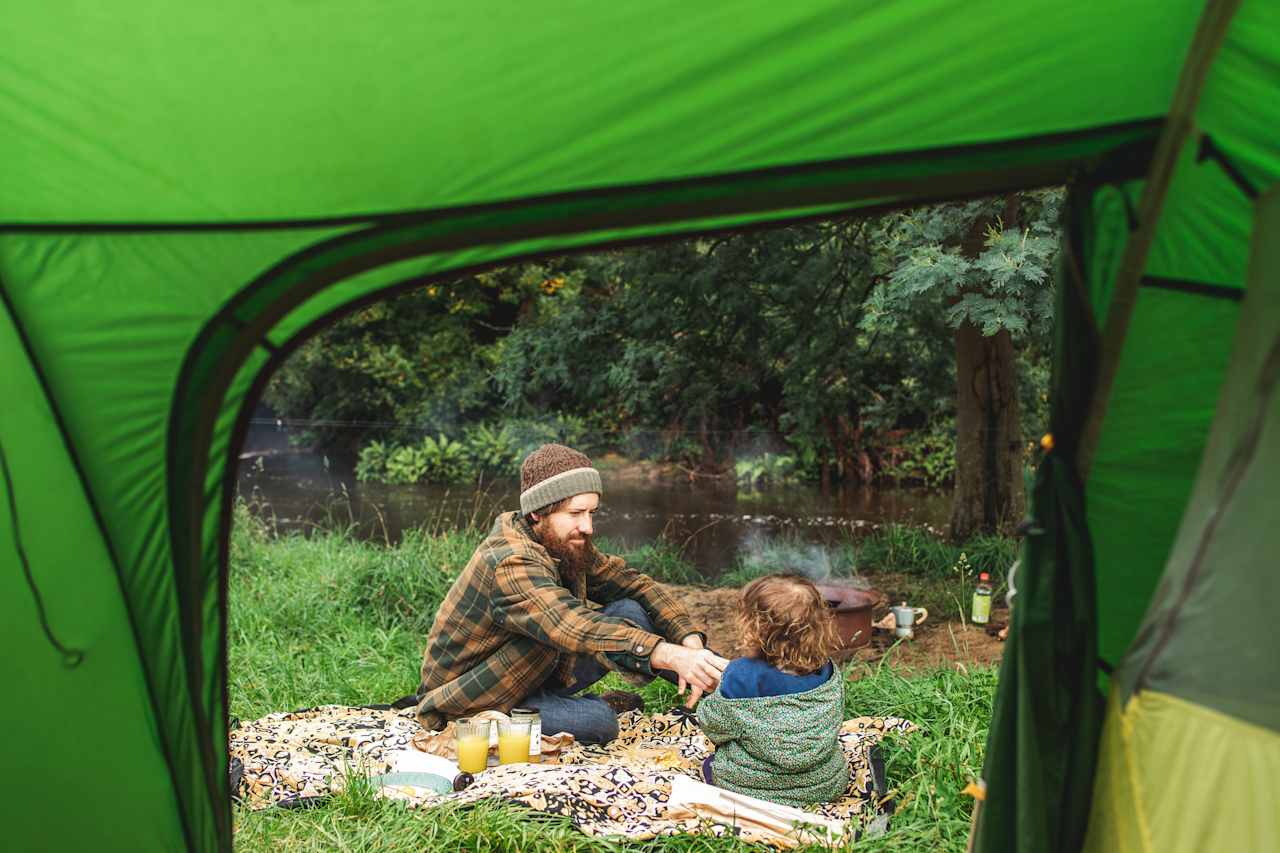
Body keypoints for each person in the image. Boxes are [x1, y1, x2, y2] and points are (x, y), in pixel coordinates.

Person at [415, 443, 728, 744]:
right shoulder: (511, 561)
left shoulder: (558, 540)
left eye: (592, 513)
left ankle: (727, 691)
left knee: (630, 611)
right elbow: (571, 624)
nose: (588, 526)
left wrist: (690, 643)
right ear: (538, 512)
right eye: (577, 513)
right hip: (473, 697)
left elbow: (633, 583)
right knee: (600, 722)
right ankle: (586, 709)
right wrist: (670, 655)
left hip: (531, 667)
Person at [696, 573, 849, 807]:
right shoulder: (827, 669)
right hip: (825, 784)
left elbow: (714, 726)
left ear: (755, 627)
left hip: (753, 789)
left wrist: (714, 699)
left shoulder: (741, 675)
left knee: (710, 765)